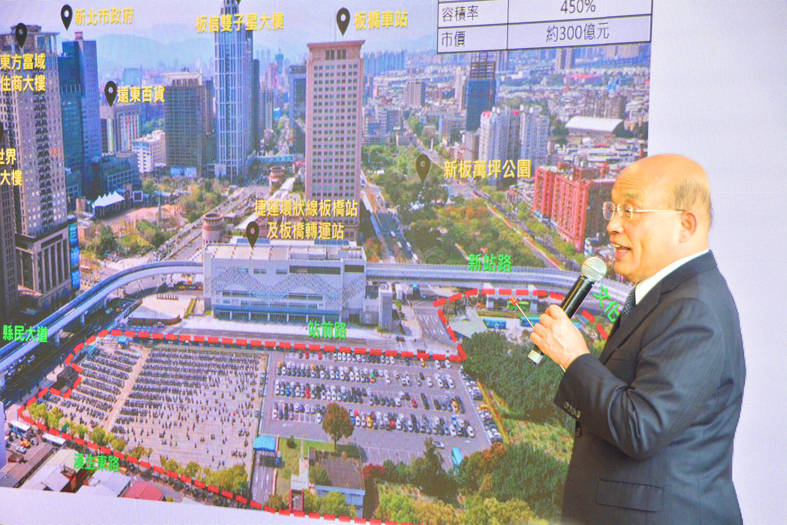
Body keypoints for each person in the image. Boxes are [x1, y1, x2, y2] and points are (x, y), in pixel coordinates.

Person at [530, 154, 745, 525]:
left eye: (630, 212)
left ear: (685, 225)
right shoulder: (664, 295)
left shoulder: (694, 308)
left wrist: (575, 359)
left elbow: (641, 427)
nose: (613, 225)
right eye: (613, 210)